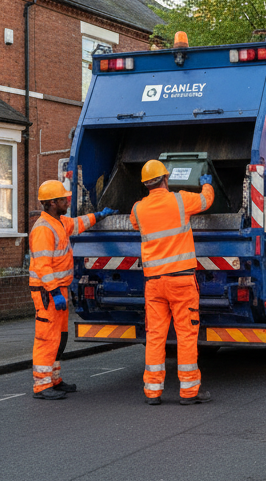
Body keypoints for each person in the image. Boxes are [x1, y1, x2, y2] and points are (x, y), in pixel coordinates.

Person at [130, 159, 215, 405]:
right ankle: (189, 391)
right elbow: (206, 201)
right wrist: (207, 185)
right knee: (186, 334)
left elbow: (135, 224)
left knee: (155, 335)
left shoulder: (138, 209)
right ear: (166, 179)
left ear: (146, 184)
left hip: (154, 283)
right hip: (181, 281)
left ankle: (153, 391)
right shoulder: (180, 200)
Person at [28, 179, 115, 400]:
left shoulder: (58, 222)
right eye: (63, 199)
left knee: (59, 337)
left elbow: (78, 223)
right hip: (48, 292)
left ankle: (54, 380)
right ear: (52, 203)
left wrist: (100, 215)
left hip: (58, 290)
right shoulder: (43, 229)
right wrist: (55, 292)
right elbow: (42, 265)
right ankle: (41, 385)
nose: (68, 200)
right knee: (47, 338)